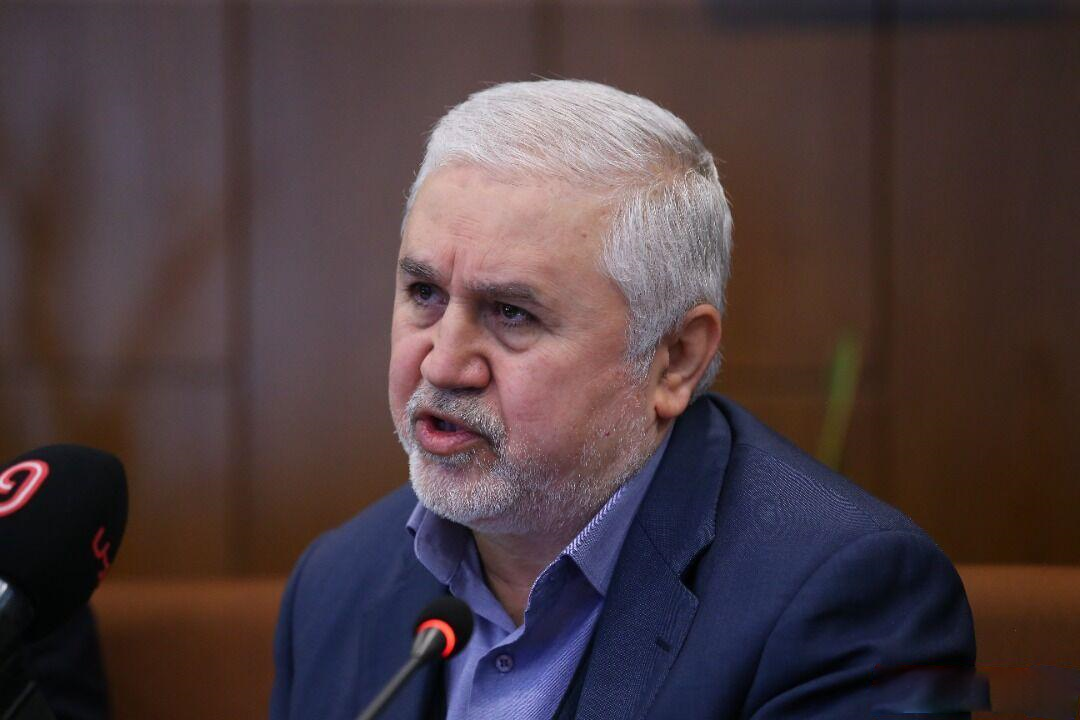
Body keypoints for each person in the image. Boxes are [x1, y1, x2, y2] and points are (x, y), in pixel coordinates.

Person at [271, 80, 982, 719]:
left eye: (512, 313)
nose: (443, 362)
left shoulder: (845, 600)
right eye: (424, 293)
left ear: (675, 359)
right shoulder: (335, 585)